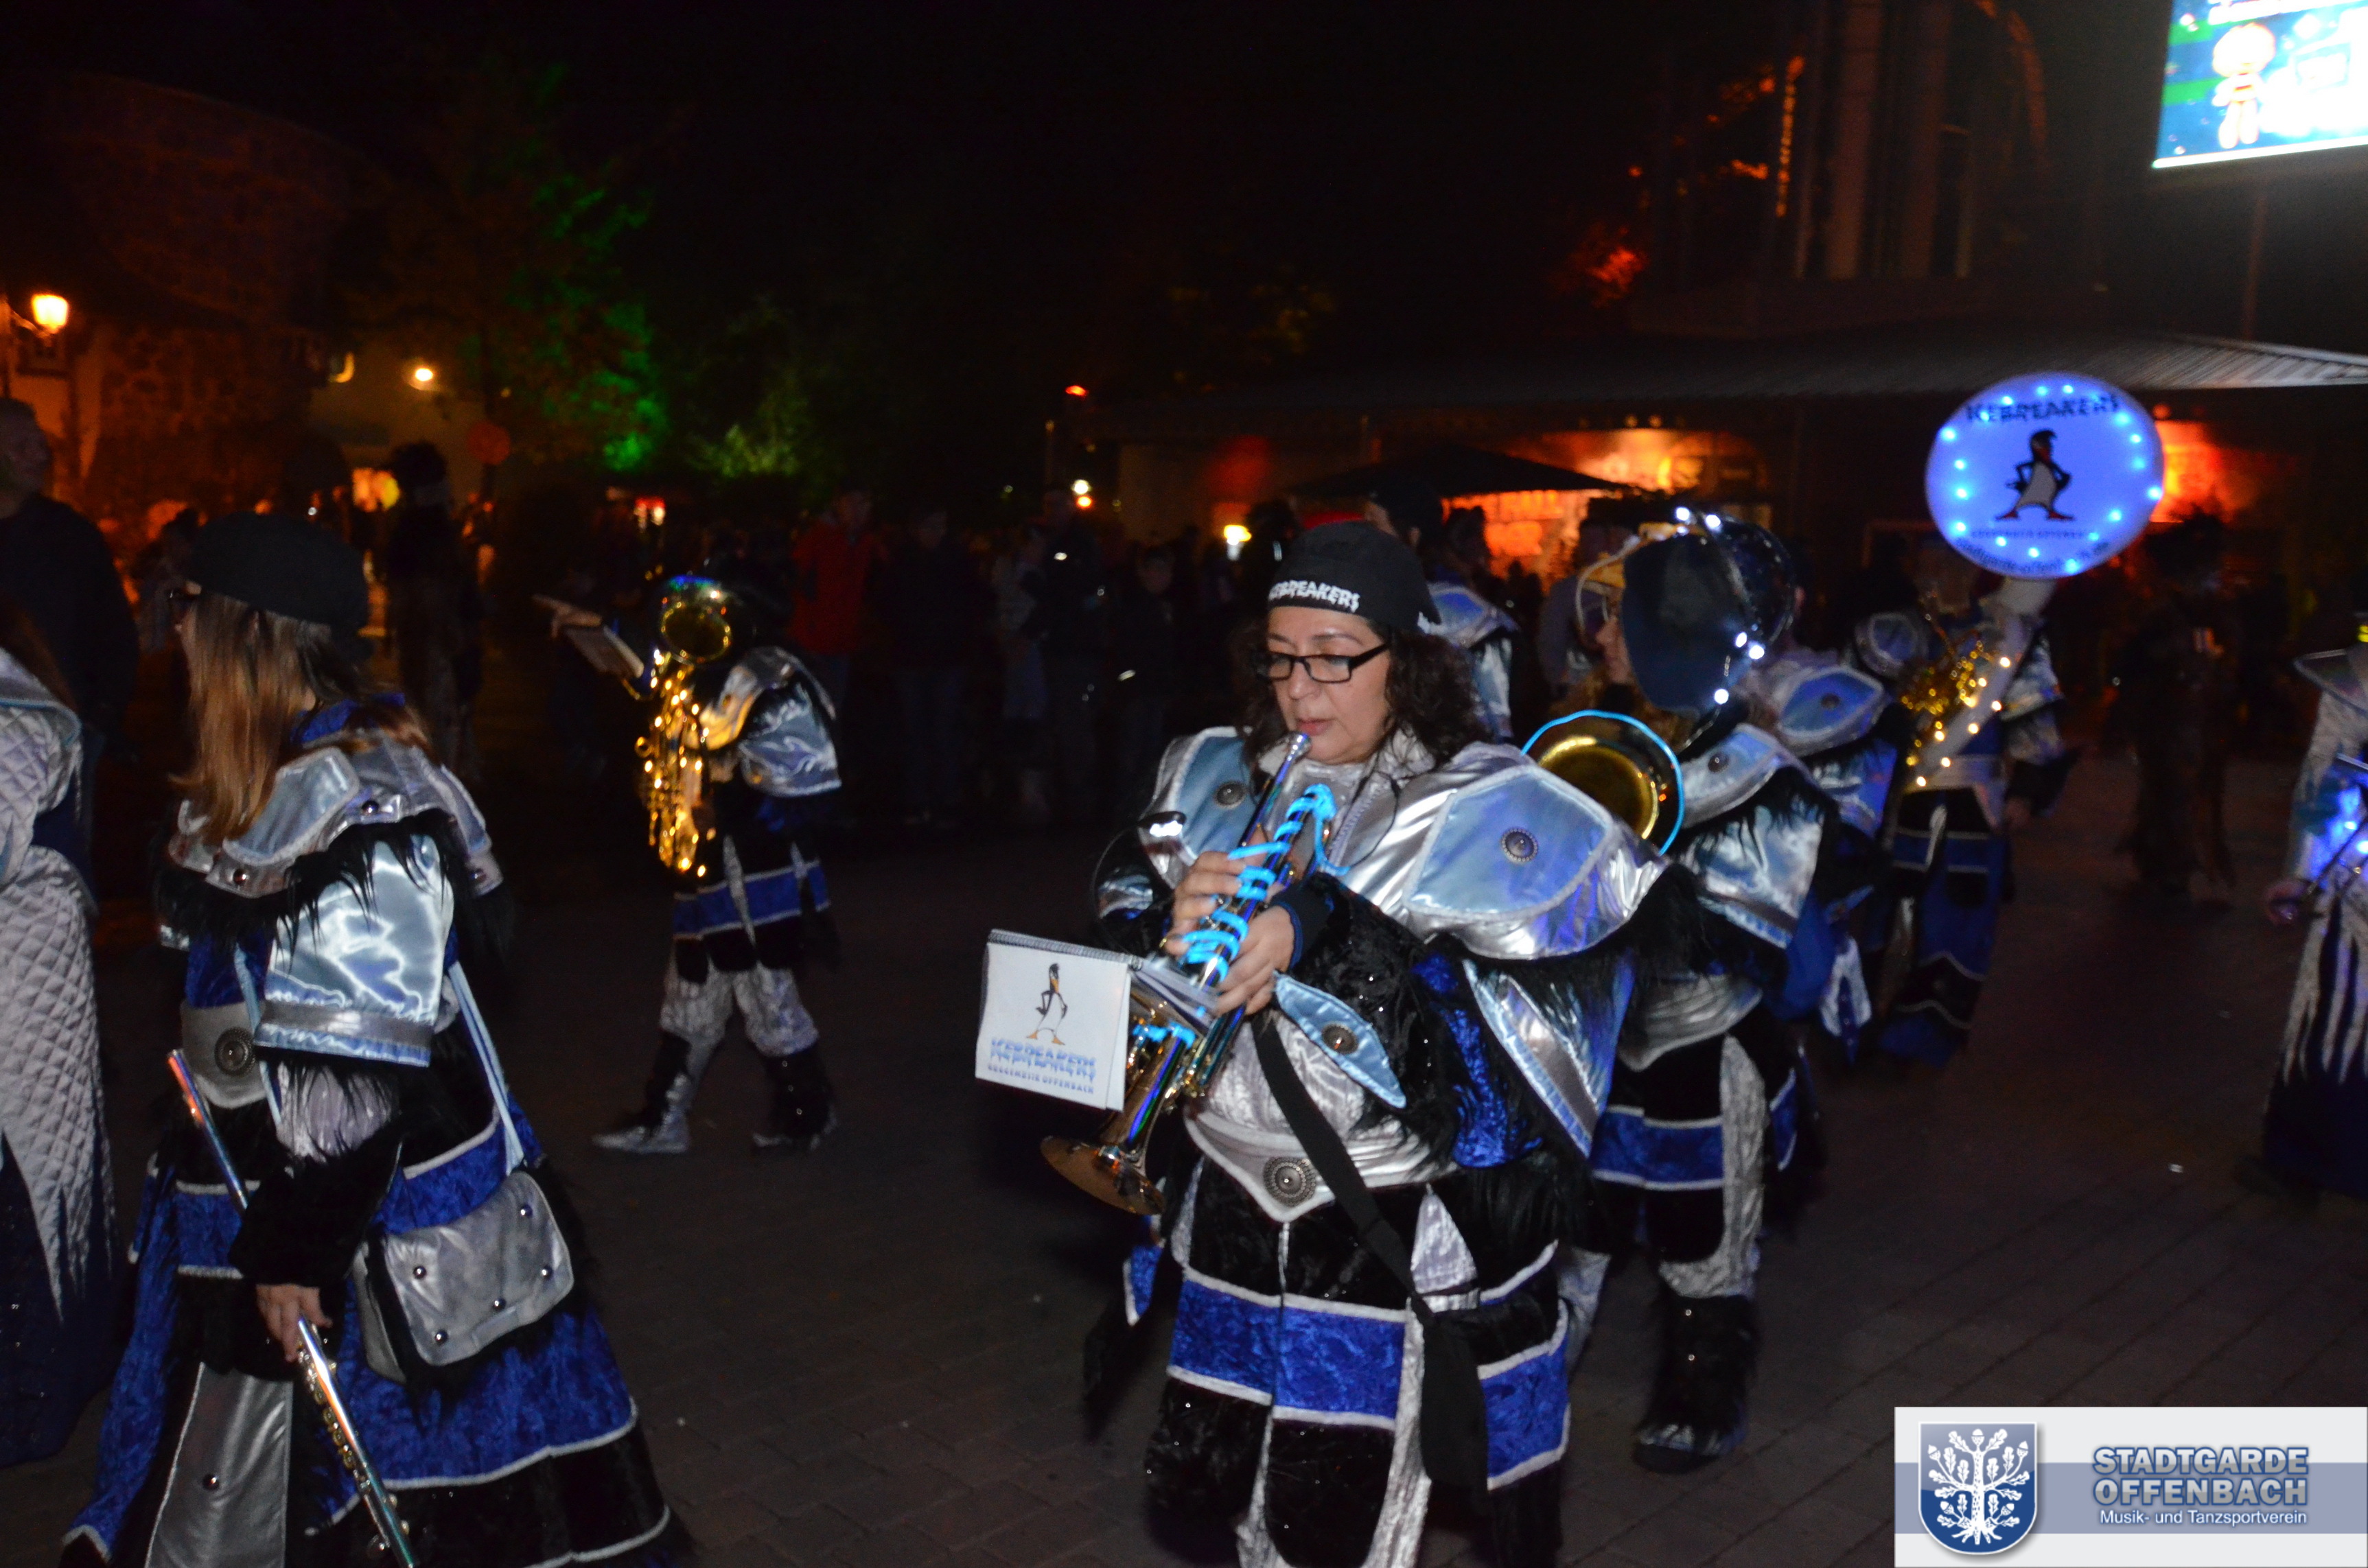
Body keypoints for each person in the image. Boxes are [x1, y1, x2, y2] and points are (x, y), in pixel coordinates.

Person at [66, 513, 677, 1565]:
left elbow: (357, 1076)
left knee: (401, 1502)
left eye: (190, 606)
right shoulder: (268, 768)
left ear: (249, 630)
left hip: (363, 1217)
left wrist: (293, 1253)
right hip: (258, 1188)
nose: (176, 629)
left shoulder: (358, 805)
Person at [1089, 522, 1687, 1568]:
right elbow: (1121, 987)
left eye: (1334, 658)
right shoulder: (1216, 772)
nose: (1299, 690)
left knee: (1341, 1530)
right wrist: (1159, 932)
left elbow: (1513, 1093)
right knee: (1248, 1513)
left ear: (1404, 660)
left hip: (1373, 1229)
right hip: (1227, 1212)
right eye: (1280, 657)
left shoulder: (1491, 806)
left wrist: (1327, 940)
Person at [1559, 522, 1829, 1473]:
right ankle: (1524, 1390)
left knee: (1704, 1242)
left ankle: (1700, 1402)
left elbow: (1748, 929)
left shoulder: (1764, 776)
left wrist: (1627, 891)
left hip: (1703, 1050)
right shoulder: (1592, 739)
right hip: (1596, 1047)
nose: (1602, 638)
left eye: (1623, 621)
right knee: (1571, 1236)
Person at [589, 566, 842, 1156]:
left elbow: (804, 781)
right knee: (693, 990)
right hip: (704, 861)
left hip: (754, 867)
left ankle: (807, 1112)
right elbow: (652, 686)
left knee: (765, 992)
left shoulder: (772, 679)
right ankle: (665, 1118)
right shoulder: (700, 671)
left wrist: (729, 786)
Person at [1852, 537, 2068, 1070]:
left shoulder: (2010, 638)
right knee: (1884, 917)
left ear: (1972, 573)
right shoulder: (1891, 633)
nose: (1932, 578)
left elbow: (2034, 723)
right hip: (1897, 803)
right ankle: (1867, 1027)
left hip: (1974, 809)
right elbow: (1851, 714)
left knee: (1956, 923)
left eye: (1945, 567)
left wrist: (2027, 791)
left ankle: (1922, 1037)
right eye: (1924, 568)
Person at [0, 598, 113, 1468]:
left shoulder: (11, 721)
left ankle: (29, 1410)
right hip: (29, 1010)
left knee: (28, 1223)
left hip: (20, 1022)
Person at [2253, 568, 2368, 1207]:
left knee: (2335, 1015)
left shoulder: (2360, 674)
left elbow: (2327, 775)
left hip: (2360, 888)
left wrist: (2301, 871)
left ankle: (2306, 1162)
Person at [0, 399, 139, 761]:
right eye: (21, 446)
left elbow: (113, 632)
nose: (39, 456)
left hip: (61, 735)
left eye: (40, 444)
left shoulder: (71, 537)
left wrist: (100, 716)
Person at [2110, 515, 2240, 902]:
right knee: (2169, 791)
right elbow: (2131, 663)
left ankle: (2173, 863)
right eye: (2208, 572)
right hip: (2167, 718)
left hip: (2199, 718)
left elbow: (2227, 660)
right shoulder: (2162, 613)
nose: (2215, 579)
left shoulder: (2211, 612)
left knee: (2189, 791)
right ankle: (2167, 865)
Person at [380, 441, 482, 777]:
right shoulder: (430, 530)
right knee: (439, 710)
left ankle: (435, 770)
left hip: (425, 631)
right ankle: (442, 775)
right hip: (436, 633)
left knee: (427, 707)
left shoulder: (411, 527)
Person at [879, 508, 985, 828]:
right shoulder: (903, 562)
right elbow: (887, 604)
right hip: (913, 657)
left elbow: (974, 602)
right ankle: (919, 799)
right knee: (917, 730)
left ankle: (946, 799)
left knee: (942, 729)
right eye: (930, 526)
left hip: (945, 657)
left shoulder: (956, 560)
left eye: (940, 526)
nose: (936, 533)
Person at [1106, 543, 1181, 820]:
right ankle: (1126, 812)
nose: (1162, 576)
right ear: (1144, 572)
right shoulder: (1135, 605)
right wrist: (1129, 679)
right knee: (1133, 752)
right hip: (1138, 689)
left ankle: (1138, 810)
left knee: (1148, 752)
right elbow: (1128, 648)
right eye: (1156, 570)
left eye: (1166, 571)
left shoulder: (1162, 606)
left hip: (1153, 687)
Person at [790, 488, 883, 710]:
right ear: (837, 505)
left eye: (863, 504)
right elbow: (798, 582)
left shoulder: (867, 543)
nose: (857, 510)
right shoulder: (817, 538)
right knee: (813, 707)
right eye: (851, 503)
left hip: (845, 640)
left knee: (834, 704)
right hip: (814, 639)